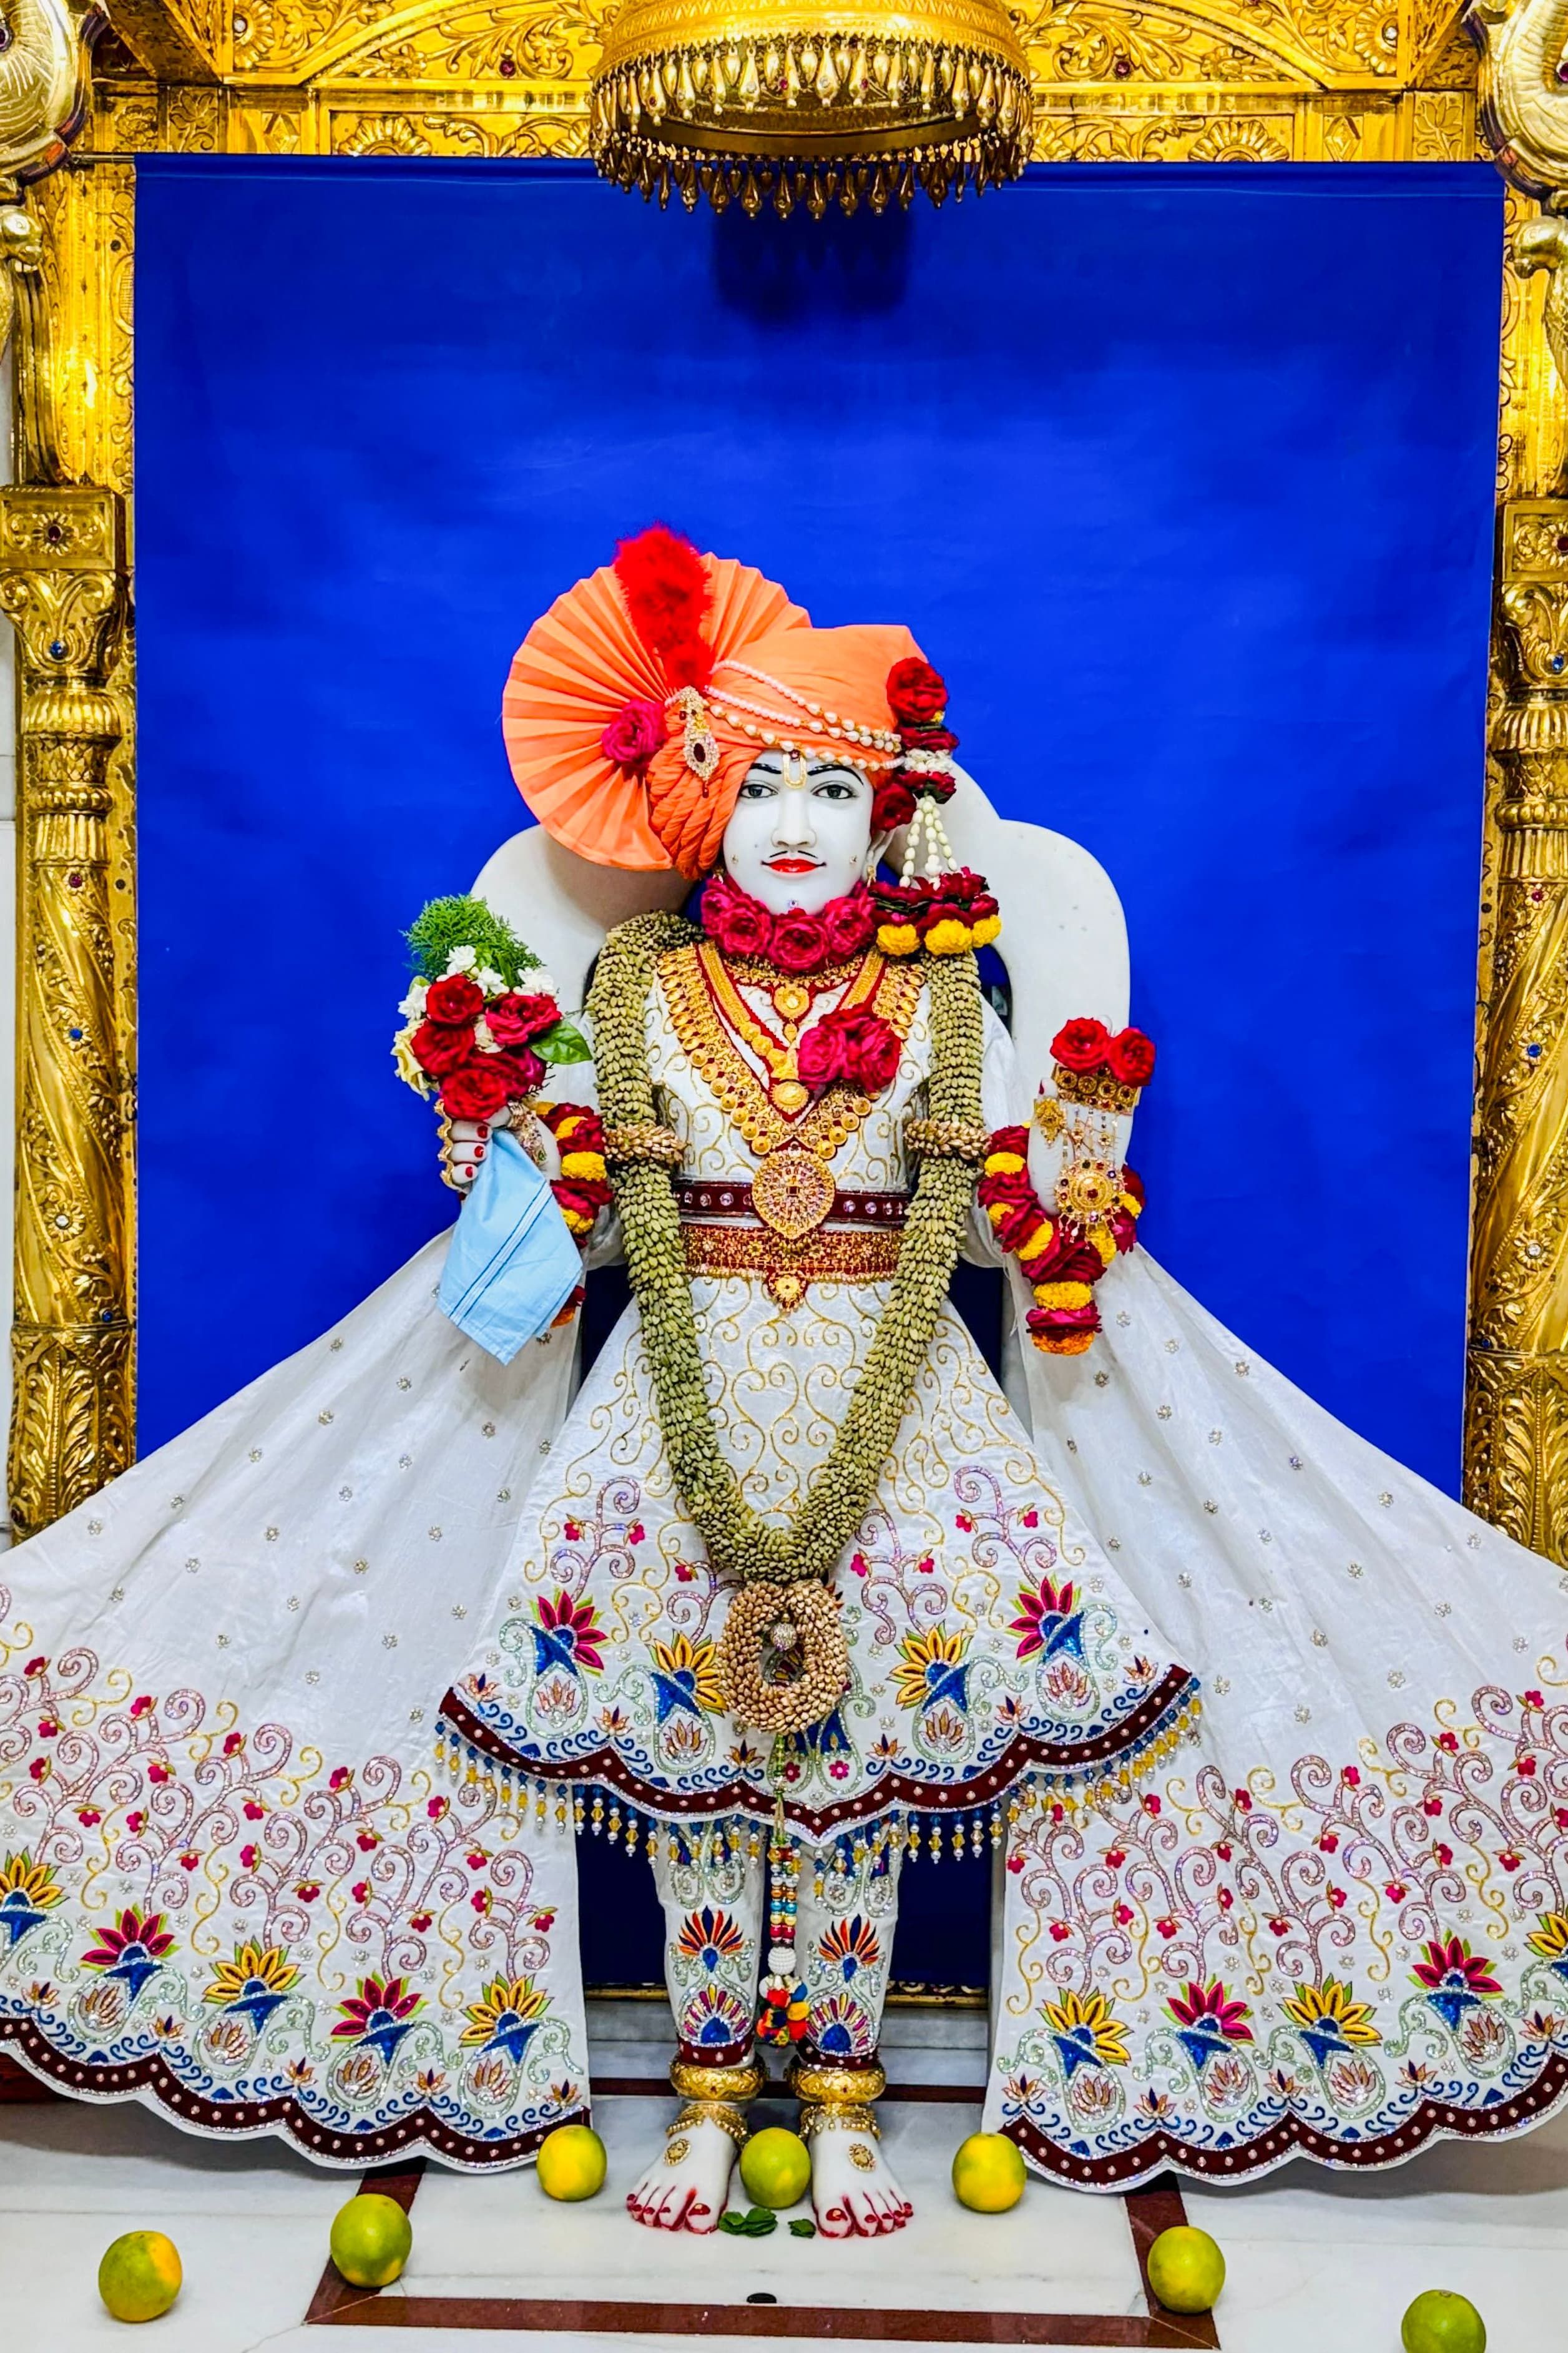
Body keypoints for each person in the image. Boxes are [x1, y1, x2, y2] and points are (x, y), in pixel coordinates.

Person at [1, 532, 1565, 2239]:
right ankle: (702, 2094)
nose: (800, 826)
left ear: (887, 814)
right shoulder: (641, 982)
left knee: (853, 1791)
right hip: (675, 1425)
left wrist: (1080, 1167)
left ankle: (837, 2109)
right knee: (694, 1783)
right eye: (764, 787)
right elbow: (585, 1236)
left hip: (898, 1441)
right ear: (703, 803)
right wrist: (506, 1135)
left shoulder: (940, 999)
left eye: (833, 788)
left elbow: (982, 1237)